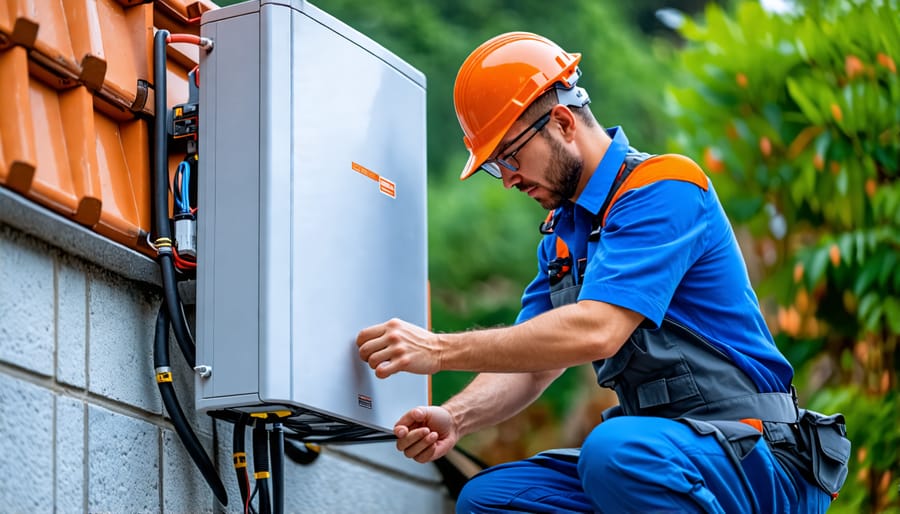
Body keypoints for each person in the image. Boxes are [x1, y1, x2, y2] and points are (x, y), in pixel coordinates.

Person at [356, 32, 849, 513]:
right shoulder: (562, 235)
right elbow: (534, 357)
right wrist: (456, 417)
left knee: (614, 452)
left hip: (757, 459)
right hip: (663, 459)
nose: (507, 179)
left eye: (509, 156)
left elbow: (598, 330)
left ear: (564, 123)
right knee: (491, 499)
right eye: (493, 166)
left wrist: (438, 350)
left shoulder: (664, 186)